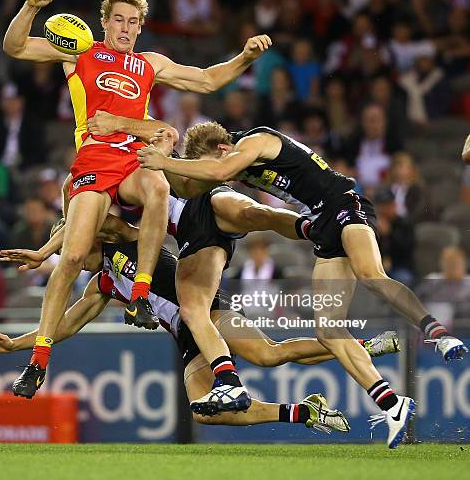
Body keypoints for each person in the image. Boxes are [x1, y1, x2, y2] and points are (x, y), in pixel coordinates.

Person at [2, 0, 272, 397]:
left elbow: (205, 80)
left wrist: (245, 57)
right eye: (119, 20)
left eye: (133, 22)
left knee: (158, 188)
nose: (126, 28)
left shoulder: (149, 63)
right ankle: (37, 360)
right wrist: (29, 6)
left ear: (140, 27)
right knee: (74, 256)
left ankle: (141, 293)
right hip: (92, 160)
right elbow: (16, 46)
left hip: (130, 157)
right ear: (104, 23)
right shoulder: (81, 51)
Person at [136, 120, 468, 447]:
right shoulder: (230, 160)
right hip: (322, 225)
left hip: (343, 205)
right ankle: (392, 405)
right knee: (329, 331)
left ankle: (438, 333)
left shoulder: (255, 141)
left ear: (223, 149)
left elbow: (219, 174)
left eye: (213, 162)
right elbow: (195, 184)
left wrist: (163, 161)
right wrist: (165, 161)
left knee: (372, 275)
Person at [0, 215, 398, 432]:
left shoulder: (124, 235)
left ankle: (359, 345)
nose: (70, 262)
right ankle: (303, 413)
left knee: (269, 354)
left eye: (71, 252)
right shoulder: (103, 283)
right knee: (206, 412)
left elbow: (96, 218)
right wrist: (18, 345)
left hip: (207, 311)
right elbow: (66, 324)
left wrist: (48, 247)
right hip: (186, 335)